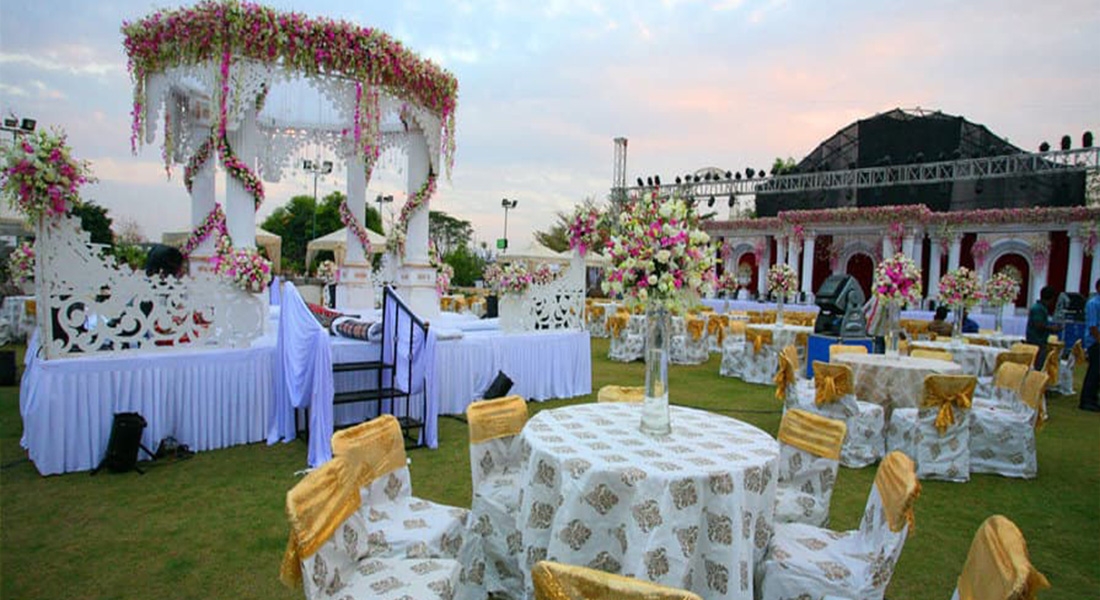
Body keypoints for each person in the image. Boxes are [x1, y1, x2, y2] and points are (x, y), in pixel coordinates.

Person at [1025, 286, 1062, 369]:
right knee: (1038, 366)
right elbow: (1038, 324)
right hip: (1037, 341)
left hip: (1039, 340)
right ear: (1051, 299)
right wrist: (1052, 328)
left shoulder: (1041, 308)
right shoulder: (1038, 309)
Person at [1079, 279, 1100, 412]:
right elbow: (1093, 326)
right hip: (1095, 342)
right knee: (1094, 371)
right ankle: (1086, 400)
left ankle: (1093, 398)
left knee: (1098, 373)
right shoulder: (1093, 303)